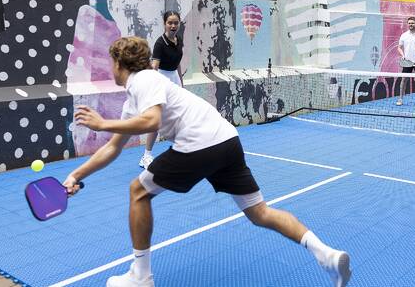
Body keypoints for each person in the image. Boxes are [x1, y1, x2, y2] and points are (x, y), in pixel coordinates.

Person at [65, 36, 352, 287]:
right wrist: (77, 175)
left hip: (198, 143)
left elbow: (151, 120)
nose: (110, 68)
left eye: (111, 62)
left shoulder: (144, 79)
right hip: (227, 141)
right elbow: (114, 148)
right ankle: (325, 254)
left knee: (138, 192)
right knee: (260, 213)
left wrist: (102, 124)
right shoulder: (135, 98)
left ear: (119, 63)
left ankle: (140, 276)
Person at [139, 11, 184, 170]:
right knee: (156, 120)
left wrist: (181, 83)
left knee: (179, 117)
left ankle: (181, 152)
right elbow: (154, 67)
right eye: (170, 23)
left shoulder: (179, 40)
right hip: (162, 79)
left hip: (174, 79)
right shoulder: (159, 43)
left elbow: (178, 62)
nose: (173, 26)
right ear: (164, 24)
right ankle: (146, 156)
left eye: (176, 23)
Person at [396, 17, 415, 106]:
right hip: (407, 62)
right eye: (409, 23)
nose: (411, 25)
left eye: (412, 23)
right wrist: (403, 55)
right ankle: (400, 98)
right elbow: (399, 47)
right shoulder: (404, 35)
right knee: (404, 80)